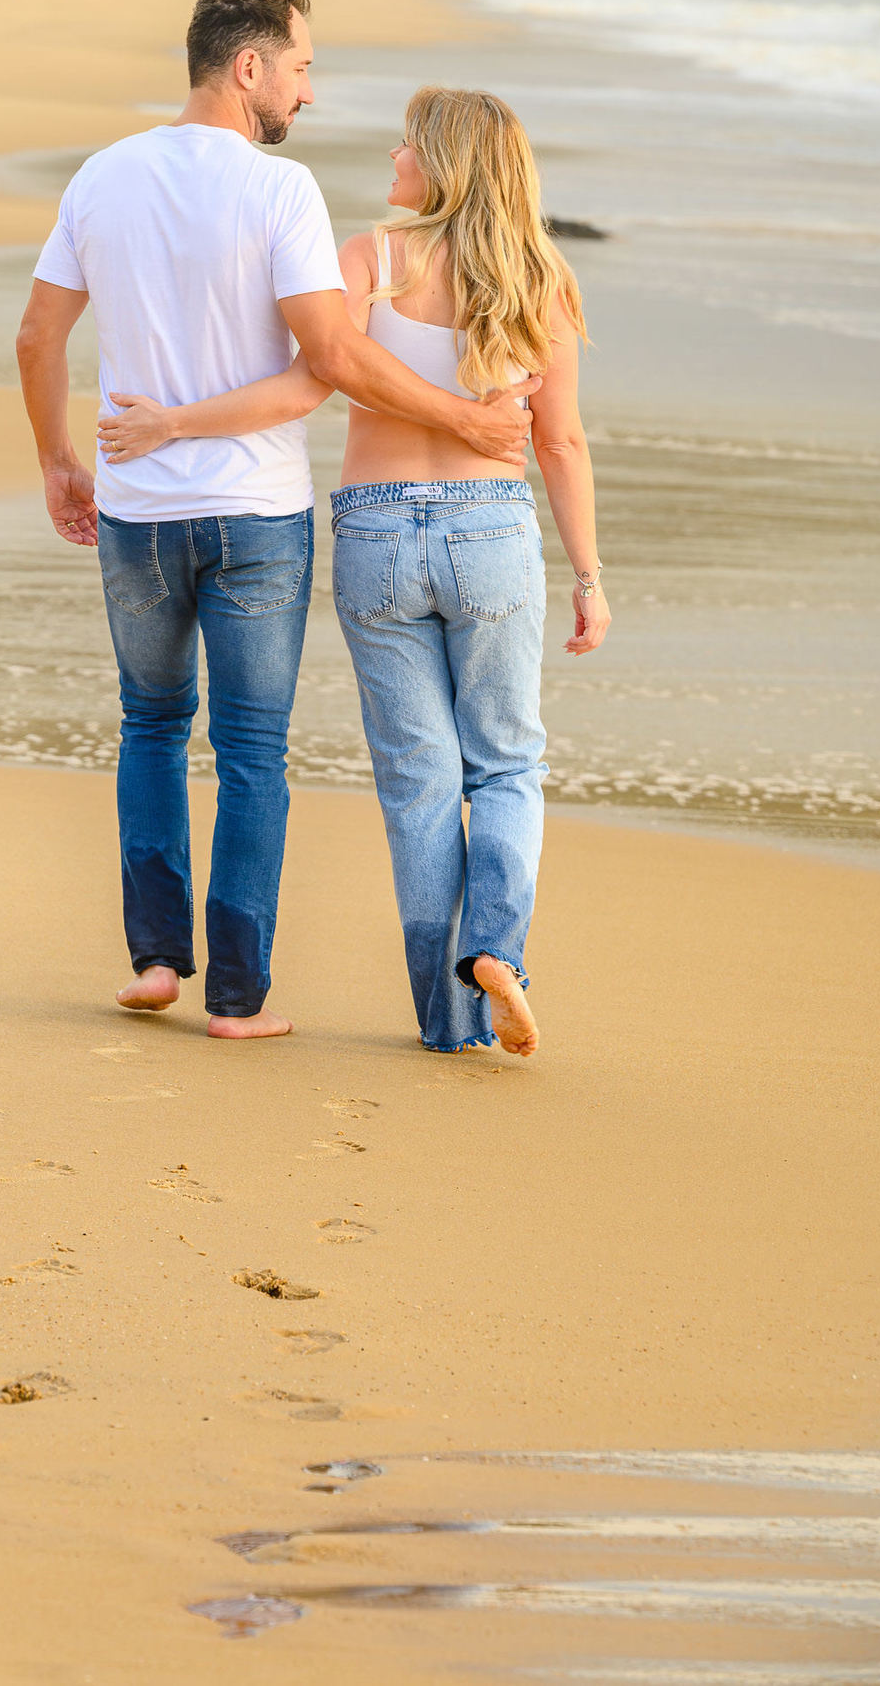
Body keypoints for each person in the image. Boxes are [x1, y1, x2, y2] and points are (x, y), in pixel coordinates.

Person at [16, 0, 534, 1040]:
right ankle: (238, 1001)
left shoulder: (102, 176)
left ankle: (158, 961)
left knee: (152, 726)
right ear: (247, 68)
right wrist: (469, 426)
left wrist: (60, 463)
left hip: (138, 510)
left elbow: (37, 338)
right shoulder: (279, 189)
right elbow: (333, 361)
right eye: (299, 66)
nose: (308, 87)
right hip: (255, 512)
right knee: (252, 748)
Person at [96, 86, 611, 1055]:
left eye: (409, 144)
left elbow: (308, 381)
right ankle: (496, 946)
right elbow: (564, 441)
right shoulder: (544, 278)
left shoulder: (372, 259)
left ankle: (446, 1021)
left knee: (418, 780)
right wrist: (588, 575)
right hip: (491, 531)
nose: (394, 154)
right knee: (505, 761)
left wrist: (173, 423)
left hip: (375, 533)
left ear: (445, 162)